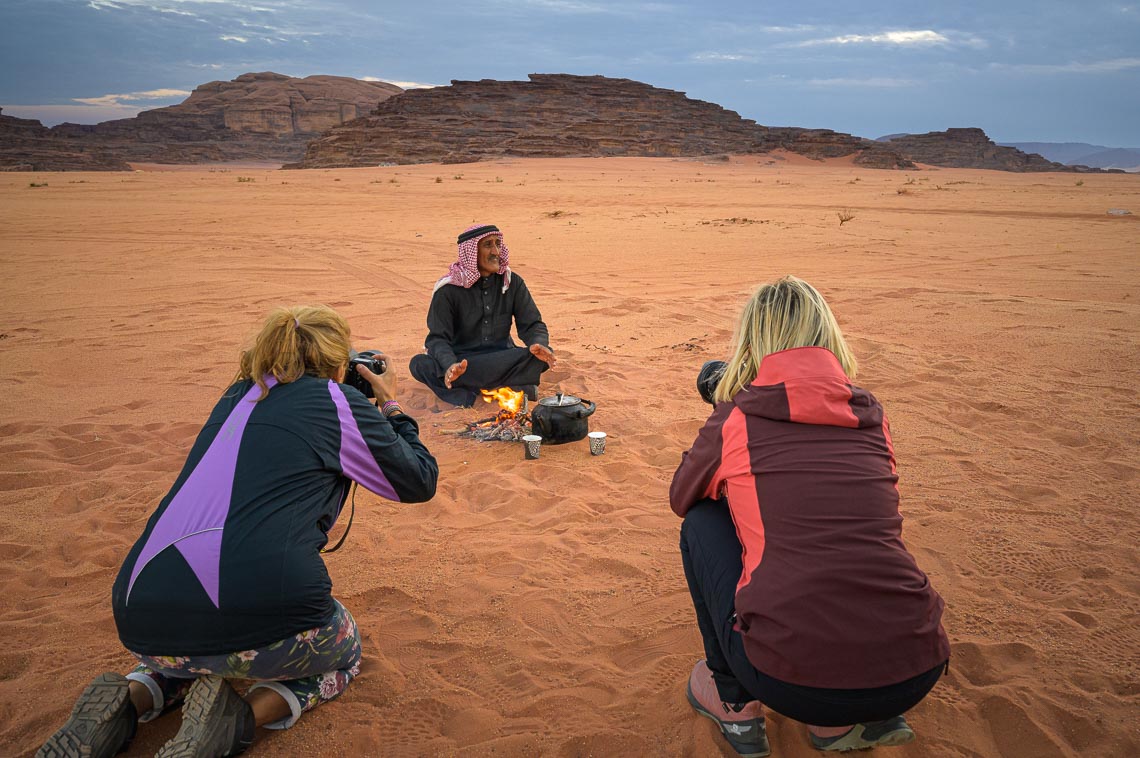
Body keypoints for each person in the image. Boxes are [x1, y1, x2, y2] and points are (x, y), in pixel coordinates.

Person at [39, 305, 438, 758]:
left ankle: (134, 696)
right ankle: (240, 719)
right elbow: (419, 479)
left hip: (142, 616)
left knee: (198, 648)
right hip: (263, 603)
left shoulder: (235, 396)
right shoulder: (335, 402)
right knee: (341, 648)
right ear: (334, 363)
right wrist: (388, 402)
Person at [670, 276, 949, 757]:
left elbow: (682, 495)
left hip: (793, 680)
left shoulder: (737, 416)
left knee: (700, 521)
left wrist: (724, 407)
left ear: (753, 342)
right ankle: (847, 724)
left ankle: (735, 706)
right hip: (913, 669)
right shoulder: (870, 415)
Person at [409, 223, 556, 407]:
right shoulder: (448, 291)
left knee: (538, 356)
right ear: (471, 252)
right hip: (464, 363)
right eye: (488, 245)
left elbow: (533, 324)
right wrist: (450, 365)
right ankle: (513, 389)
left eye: (498, 244)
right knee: (420, 364)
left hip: (502, 357)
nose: (496, 251)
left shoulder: (512, 283)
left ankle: (470, 391)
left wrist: (538, 343)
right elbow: (437, 339)